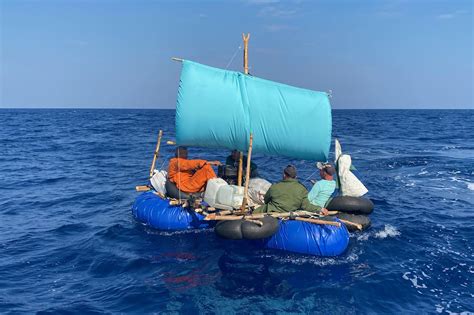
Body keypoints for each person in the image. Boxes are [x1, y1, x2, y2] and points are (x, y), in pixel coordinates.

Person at [254, 165, 322, 214]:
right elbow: (306, 206)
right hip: (290, 213)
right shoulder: (302, 189)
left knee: (255, 211)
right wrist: (320, 209)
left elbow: (266, 200)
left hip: (272, 212)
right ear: (296, 177)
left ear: (284, 175)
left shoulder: (274, 187)